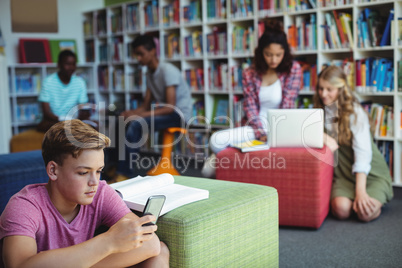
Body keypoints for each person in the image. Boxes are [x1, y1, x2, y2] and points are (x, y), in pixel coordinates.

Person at [0, 119, 170, 267]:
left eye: (99, 171)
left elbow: (150, 244)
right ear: (53, 170)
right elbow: (20, 265)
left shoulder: (100, 192)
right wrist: (108, 242)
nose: (94, 182)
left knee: (160, 250)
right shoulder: (24, 206)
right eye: (83, 172)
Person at [202, 20, 302, 178]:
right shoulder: (250, 72)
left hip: (280, 130)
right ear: (261, 52)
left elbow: (287, 106)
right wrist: (260, 132)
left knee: (208, 170)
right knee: (215, 140)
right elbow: (249, 106)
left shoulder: (293, 69)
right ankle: (236, 156)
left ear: (285, 53)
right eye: (268, 54)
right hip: (254, 129)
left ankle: (230, 158)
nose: (273, 60)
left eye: (278, 55)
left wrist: (273, 134)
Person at [314, 65, 393, 222]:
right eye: (321, 89)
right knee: (341, 210)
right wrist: (320, 135)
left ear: (341, 89)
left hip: (370, 174)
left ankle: (371, 196)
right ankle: (354, 199)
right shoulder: (320, 111)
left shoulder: (355, 112)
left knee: (365, 214)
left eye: (329, 89)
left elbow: (363, 155)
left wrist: (361, 192)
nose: (323, 94)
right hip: (343, 175)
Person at [112, 34, 192, 182]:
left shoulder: (168, 71)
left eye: (141, 54)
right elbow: (145, 106)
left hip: (179, 115)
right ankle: (115, 166)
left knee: (137, 124)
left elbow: (170, 107)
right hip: (168, 113)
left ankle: (125, 174)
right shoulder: (149, 74)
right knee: (121, 120)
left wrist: (139, 116)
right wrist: (130, 113)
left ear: (153, 51)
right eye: (136, 55)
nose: (138, 59)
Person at [37, 50, 92, 132]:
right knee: (52, 127)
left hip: (74, 121)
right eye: (68, 64)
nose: (71, 67)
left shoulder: (80, 82)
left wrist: (84, 113)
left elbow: (84, 108)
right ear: (59, 64)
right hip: (53, 121)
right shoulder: (48, 82)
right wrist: (63, 120)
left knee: (94, 125)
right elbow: (46, 113)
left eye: (74, 64)